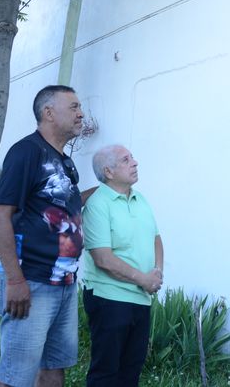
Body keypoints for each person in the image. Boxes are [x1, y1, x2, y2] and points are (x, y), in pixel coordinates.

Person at [0, 85, 86, 386]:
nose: (81, 113)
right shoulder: (26, 152)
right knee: (15, 375)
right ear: (48, 113)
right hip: (31, 279)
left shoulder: (65, 161)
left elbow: (61, 207)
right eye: (73, 107)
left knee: (55, 368)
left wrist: (108, 190)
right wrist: (15, 280)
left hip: (64, 282)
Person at [82, 145, 164, 386]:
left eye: (133, 158)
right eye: (126, 160)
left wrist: (157, 271)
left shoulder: (141, 199)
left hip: (140, 298)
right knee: (106, 373)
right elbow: (103, 258)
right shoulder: (98, 204)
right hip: (109, 299)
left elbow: (156, 239)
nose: (135, 162)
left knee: (131, 371)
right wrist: (144, 280)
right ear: (108, 171)